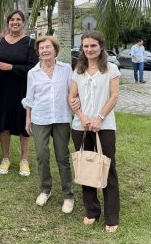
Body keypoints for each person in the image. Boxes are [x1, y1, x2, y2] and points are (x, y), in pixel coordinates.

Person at [68, 30, 121, 233]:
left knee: (107, 168)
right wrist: (81, 117)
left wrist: (99, 118)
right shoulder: (78, 70)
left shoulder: (111, 69)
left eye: (93, 46)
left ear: (101, 47)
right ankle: (91, 211)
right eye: (86, 46)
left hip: (104, 126)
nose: (89, 49)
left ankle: (111, 216)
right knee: (86, 168)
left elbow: (114, 96)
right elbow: (71, 97)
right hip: (80, 127)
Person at [22, 35, 74, 213]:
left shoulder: (66, 69)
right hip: (40, 117)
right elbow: (30, 98)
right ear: (38, 52)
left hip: (61, 117)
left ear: (55, 49)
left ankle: (68, 194)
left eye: (48, 47)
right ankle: (46, 189)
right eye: (41, 48)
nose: (44, 50)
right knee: (42, 155)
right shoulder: (33, 73)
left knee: (62, 156)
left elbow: (72, 92)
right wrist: (28, 118)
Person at [0, 10, 38, 176]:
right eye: (12, 19)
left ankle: (24, 160)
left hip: (22, 88)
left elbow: (33, 68)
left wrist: (11, 67)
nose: (15, 22)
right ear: (8, 22)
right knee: (4, 122)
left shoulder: (30, 43)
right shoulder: (0, 42)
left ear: (23, 23)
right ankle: (5, 158)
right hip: (3, 87)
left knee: (23, 123)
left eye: (18, 19)